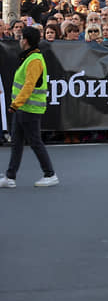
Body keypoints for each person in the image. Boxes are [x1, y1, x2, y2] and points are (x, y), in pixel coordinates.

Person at [0, 27, 58, 188]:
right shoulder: (30, 57)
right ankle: (10, 177)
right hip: (23, 108)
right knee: (17, 143)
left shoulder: (34, 60)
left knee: (35, 142)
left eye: (21, 38)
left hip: (29, 108)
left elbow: (29, 85)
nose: (19, 40)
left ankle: (50, 174)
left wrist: (15, 104)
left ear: (25, 40)